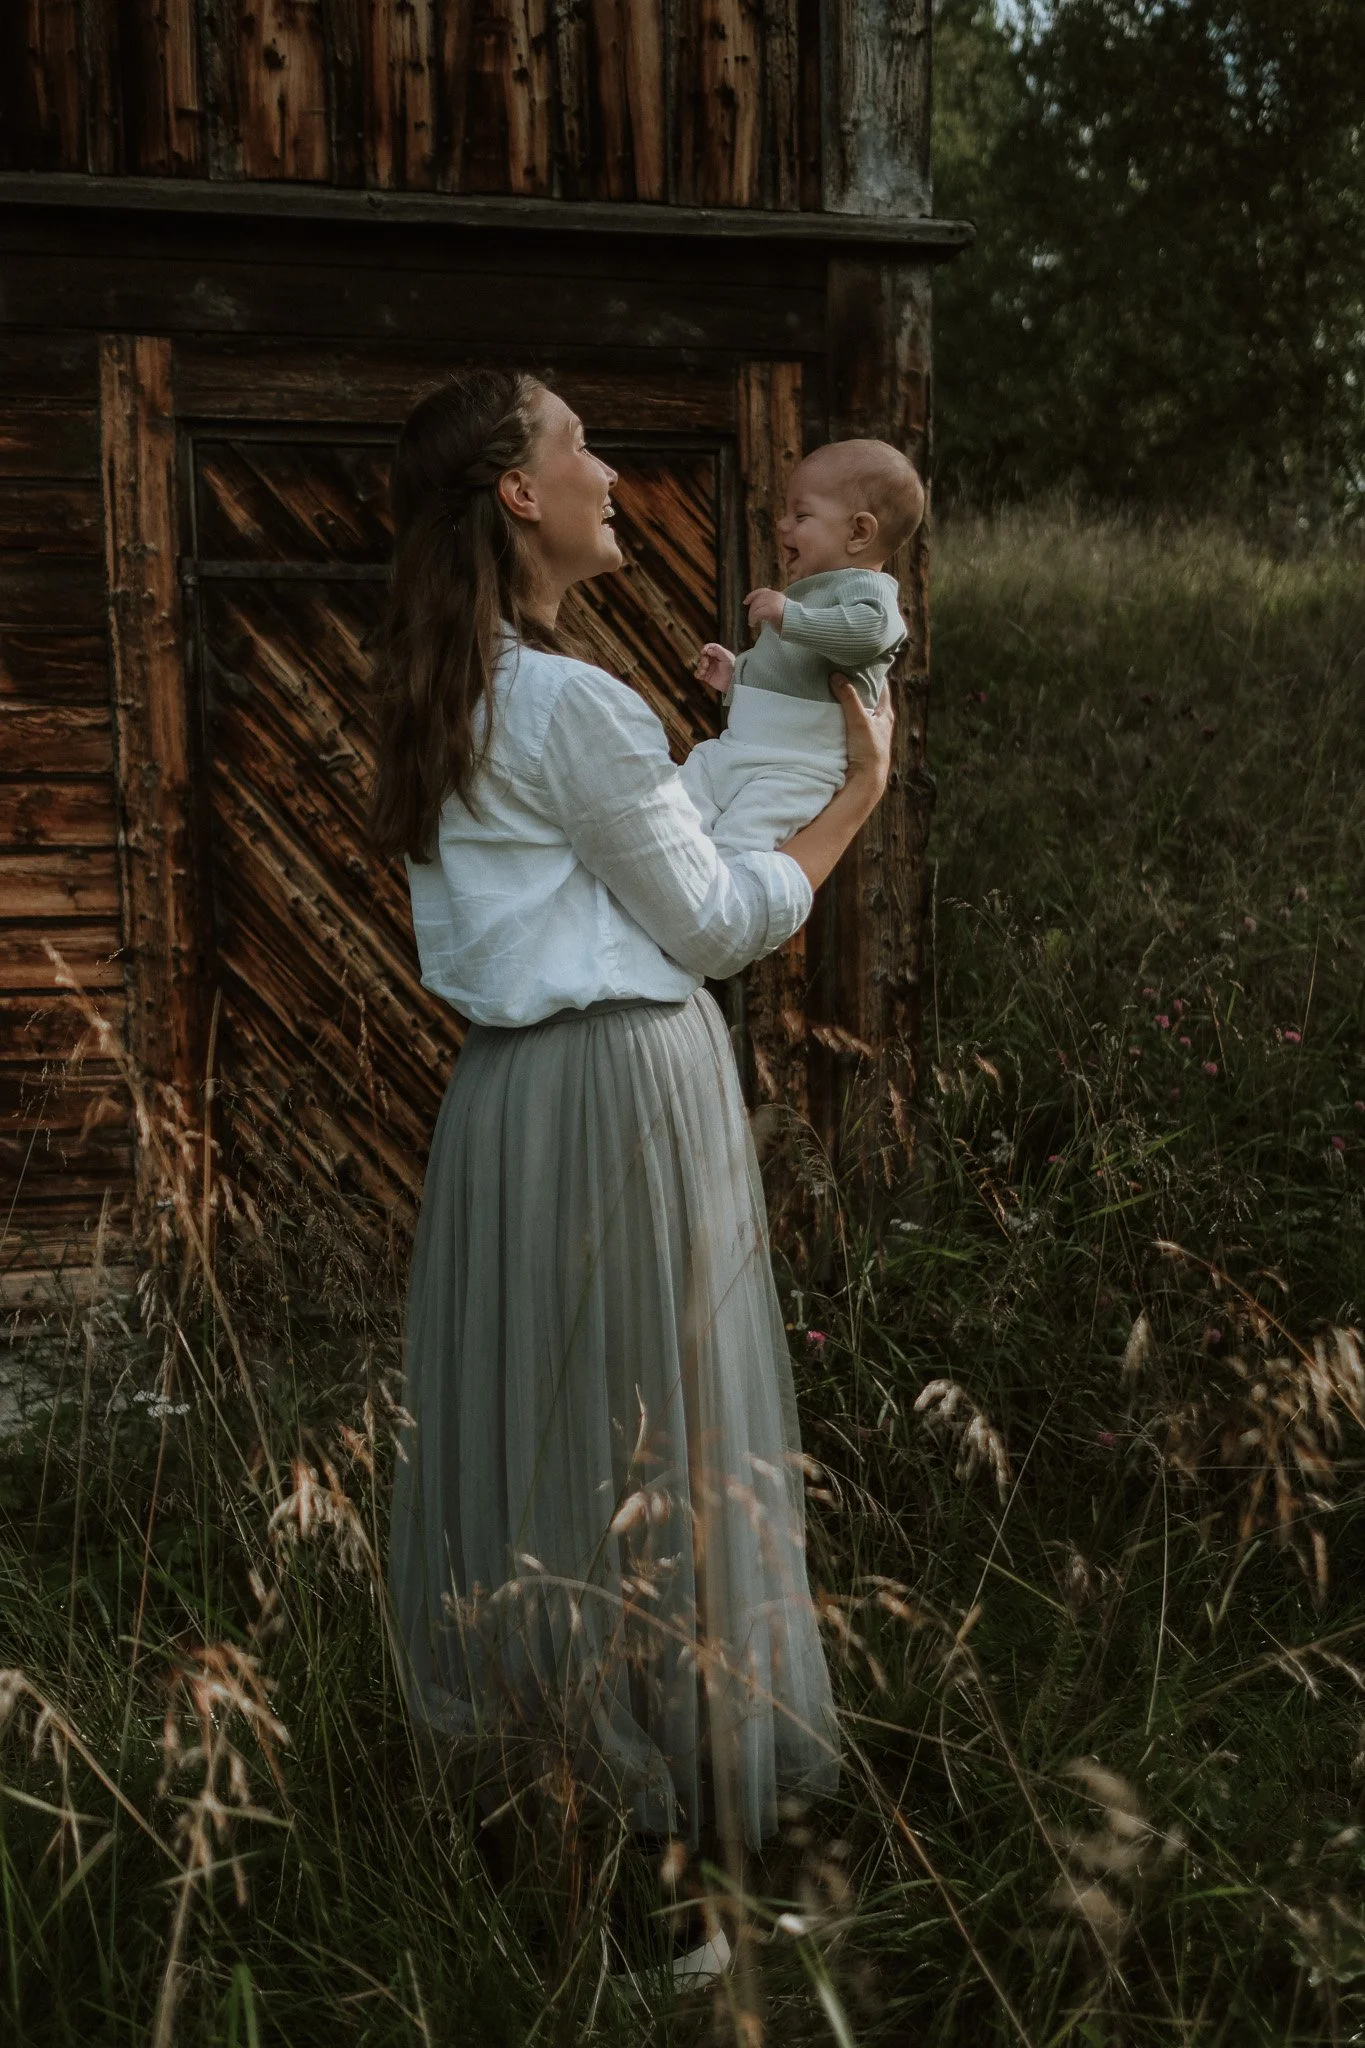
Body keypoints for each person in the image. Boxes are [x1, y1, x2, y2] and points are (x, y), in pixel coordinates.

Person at [371, 369, 893, 1971]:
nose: (605, 468)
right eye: (575, 445)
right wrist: (854, 798)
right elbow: (718, 926)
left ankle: (584, 1852)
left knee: (550, 1470)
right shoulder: (573, 708)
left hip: (508, 1106)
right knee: (665, 1463)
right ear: (519, 497)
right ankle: (692, 1879)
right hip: (619, 1088)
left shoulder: (442, 692)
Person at [682, 439, 922, 853]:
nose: (782, 524)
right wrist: (737, 676)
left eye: (801, 514)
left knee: (740, 844)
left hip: (799, 767)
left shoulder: (869, 590)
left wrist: (791, 616)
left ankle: (720, 904)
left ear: (859, 532)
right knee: (678, 803)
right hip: (741, 747)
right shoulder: (814, 592)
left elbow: (869, 634)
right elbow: (795, 670)